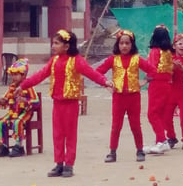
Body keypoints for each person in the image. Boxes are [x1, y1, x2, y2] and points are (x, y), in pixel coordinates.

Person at [18, 30, 113, 177]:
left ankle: (69, 165)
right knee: (57, 134)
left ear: (66, 46)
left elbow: (90, 72)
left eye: (56, 43)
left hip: (71, 103)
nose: (53, 46)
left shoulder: (77, 60)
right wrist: (23, 85)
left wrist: (104, 81)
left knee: (70, 134)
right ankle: (59, 163)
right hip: (57, 102)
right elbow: (40, 75)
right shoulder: (54, 61)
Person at [96, 30, 155, 162]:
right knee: (116, 125)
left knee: (135, 125)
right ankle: (112, 152)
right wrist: (106, 85)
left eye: (127, 43)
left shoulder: (137, 59)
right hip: (118, 97)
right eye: (121, 43)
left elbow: (153, 70)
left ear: (132, 45)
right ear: (117, 45)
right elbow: (98, 72)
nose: (124, 46)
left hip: (134, 97)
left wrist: (145, 81)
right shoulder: (113, 59)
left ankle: (140, 150)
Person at [0, 58, 39, 158]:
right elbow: (6, 98)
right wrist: (3, 101)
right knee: (1, 122)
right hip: (13, 112)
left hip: (26, 113)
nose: (14, 77)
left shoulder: (29, 87)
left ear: (24, 75)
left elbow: (36, 102)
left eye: (16, 74)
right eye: (13, 74)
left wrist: (26, 101)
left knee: (18, 122)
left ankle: (19, 146)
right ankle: (3, 146)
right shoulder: (12, 87)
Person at [142, 25, 174, 154]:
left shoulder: (155, 51)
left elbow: (151, 68)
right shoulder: (168, 52)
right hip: (166, 84)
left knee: (152, 114)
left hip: (156, 84)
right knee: (159, 114)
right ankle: (159, 142)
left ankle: (162, 140)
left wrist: (145, 79)